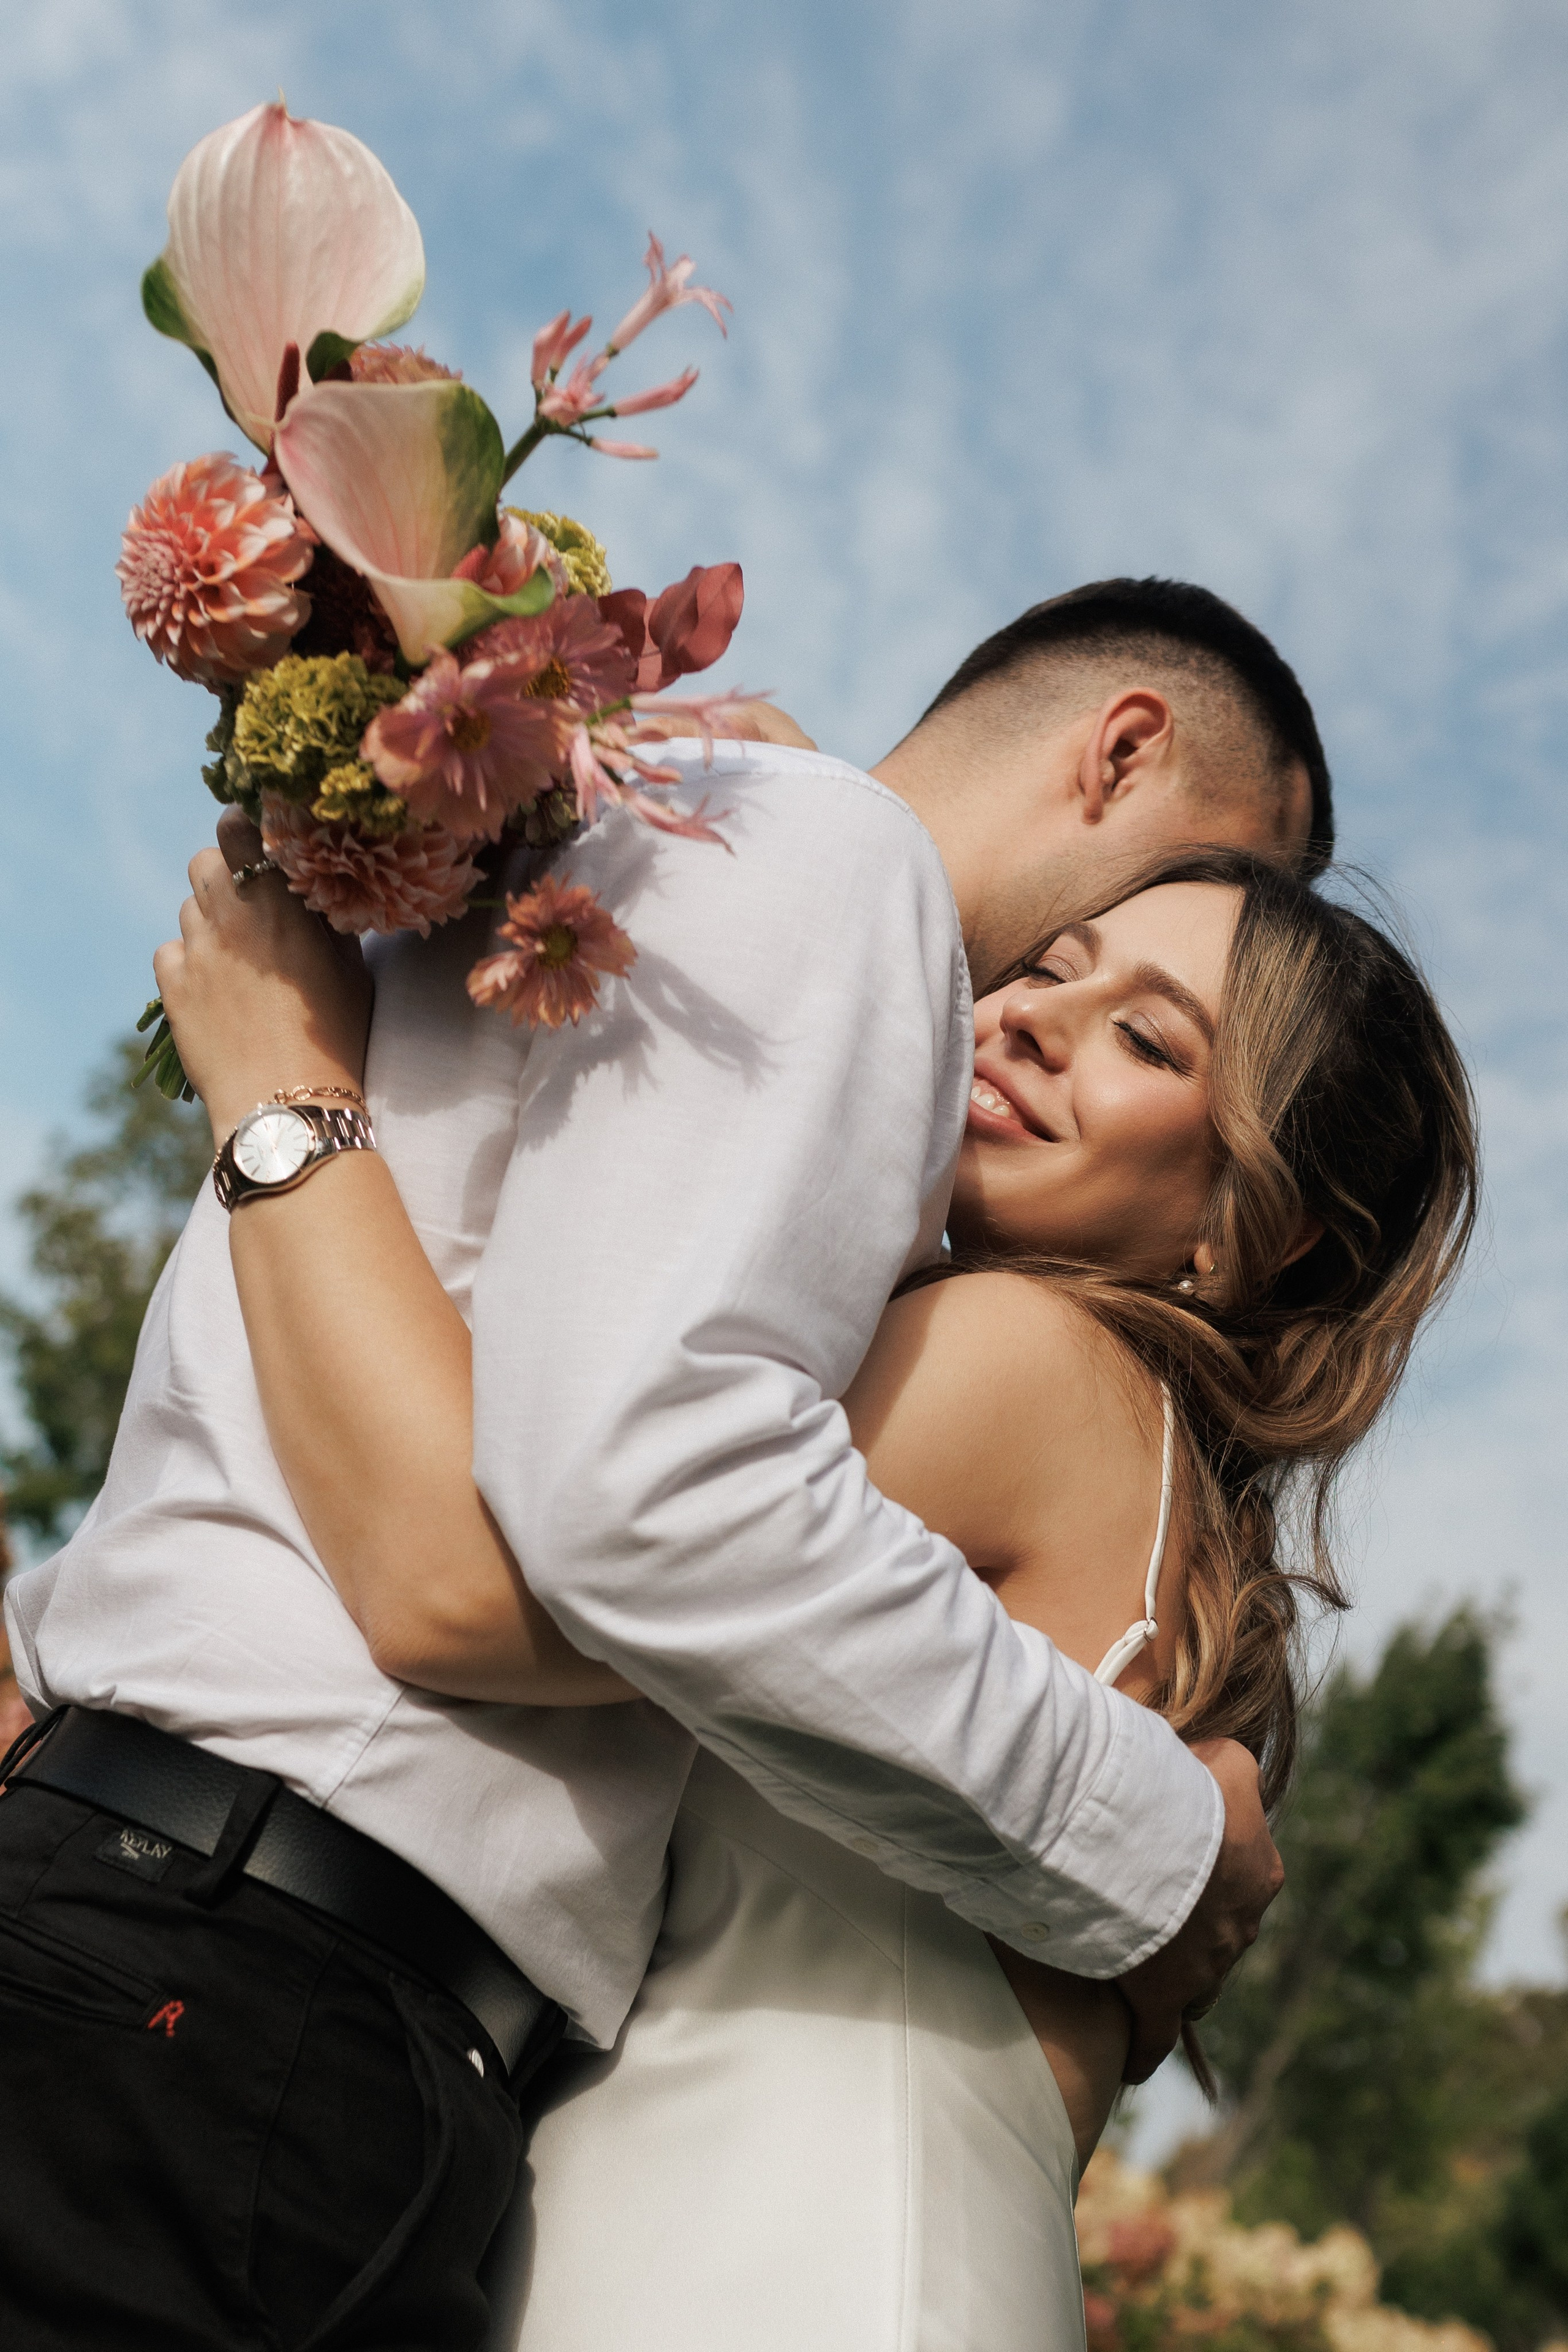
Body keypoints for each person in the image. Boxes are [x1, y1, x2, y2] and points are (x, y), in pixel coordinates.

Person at [4, 578, 1322, 2350]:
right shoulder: (832, 867)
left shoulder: (639, 861)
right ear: (1130, 750)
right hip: (248, 1987)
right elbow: (572, 1536)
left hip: (187, 1947)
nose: (1224, 924)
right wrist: (1156, 1837)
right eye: (1234, 872)